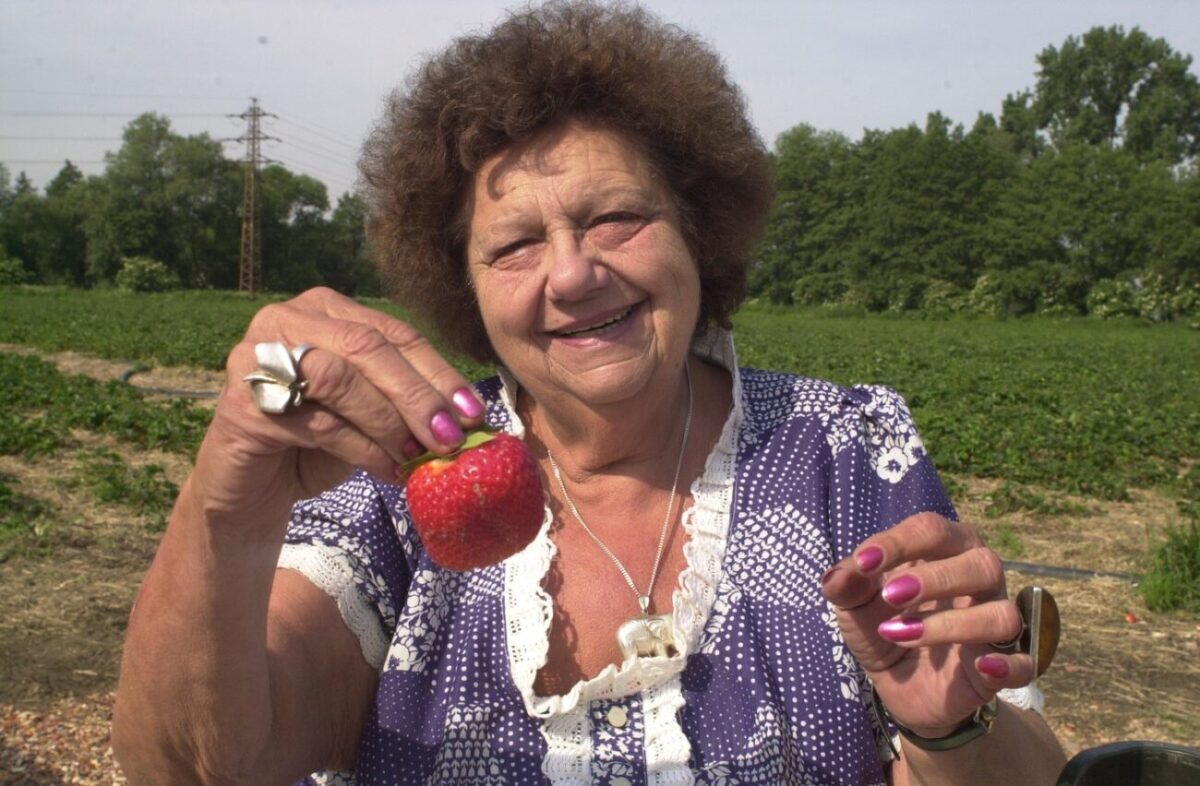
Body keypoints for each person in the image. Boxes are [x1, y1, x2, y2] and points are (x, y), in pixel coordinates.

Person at [112, 2, 1066, 784]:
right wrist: (226, 504)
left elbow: (1017, 765)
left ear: (699, 231)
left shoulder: (845, 450)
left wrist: (945, 736)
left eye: (615, 217)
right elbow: (195, 766)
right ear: (466, 287)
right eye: (515, 245)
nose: (570, 276)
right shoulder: (401, 479)